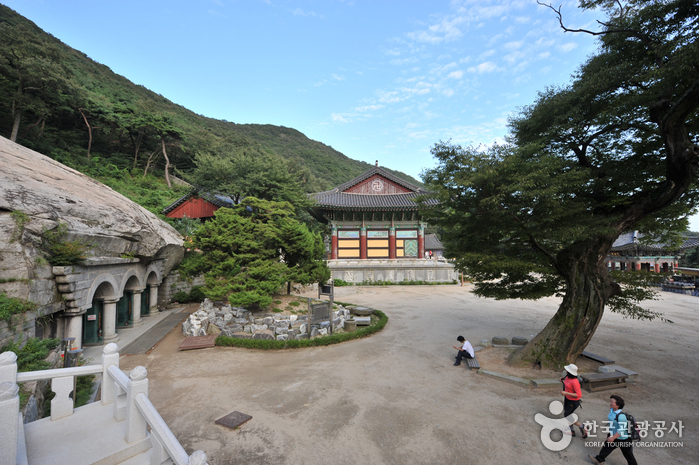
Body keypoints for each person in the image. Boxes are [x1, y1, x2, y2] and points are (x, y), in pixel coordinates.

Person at [588, 395, 638, 465]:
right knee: (606, 448)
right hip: (613, 434)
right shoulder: (612, 410)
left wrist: (613, 437)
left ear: (618, 405)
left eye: (612, 402)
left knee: (628, 455)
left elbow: (622, 430)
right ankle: (599, 460)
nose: (610, 403)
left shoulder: (621, 416)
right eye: (610, 401)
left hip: (623, 438)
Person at [559, 364, 588, 438]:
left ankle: (582, 426)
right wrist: (562, 380)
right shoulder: (567, 377)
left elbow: (579, 395)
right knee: (569, 414)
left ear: (569, 372)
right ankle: (571, 430)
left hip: (573, 401)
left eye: (567, 370)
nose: (566, 370)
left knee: (567, 415)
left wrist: (566, 393)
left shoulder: (575, 381)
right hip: (567, 399)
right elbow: (568, 385)